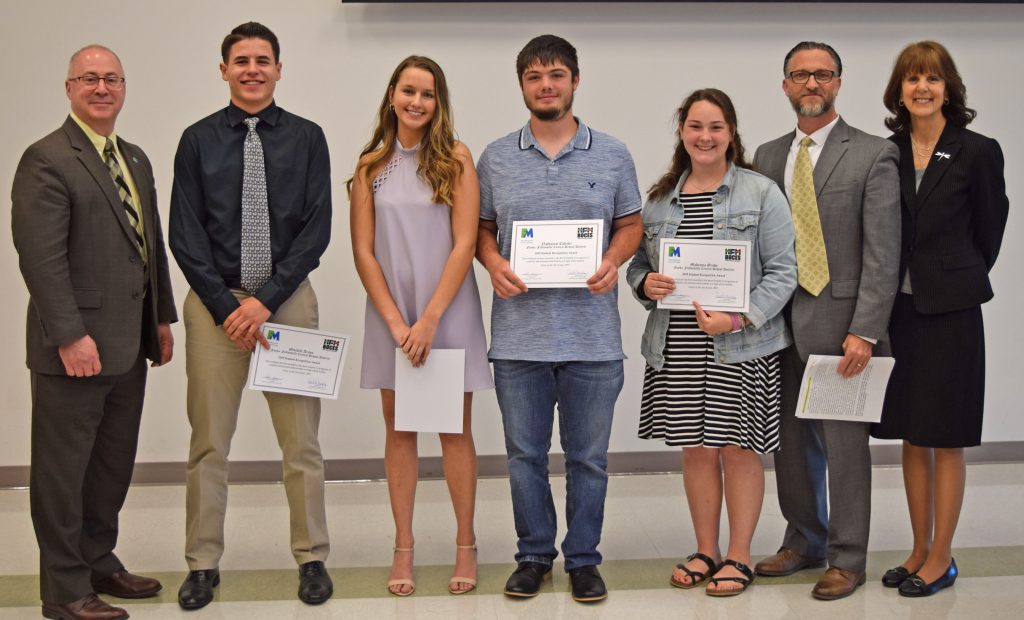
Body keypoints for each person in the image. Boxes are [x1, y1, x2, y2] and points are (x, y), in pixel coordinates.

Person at [169, 22, 333, 609]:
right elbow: (184, 235)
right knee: (209, 443)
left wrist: (265, 301)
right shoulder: (196, 140)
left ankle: (312, 557)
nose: (253, 69)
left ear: (279, 69)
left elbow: (317, 229)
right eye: (241, 60)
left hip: (286, 301)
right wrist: (227, 306)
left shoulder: (308, 138)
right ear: (224, 70)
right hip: (215, 306)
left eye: (263, 60)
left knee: (302, 445)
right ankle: (202, 564)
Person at [476, 34, 643, 604]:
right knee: (523, 457)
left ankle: (584, 560)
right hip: (519, 339)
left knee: (587, 459)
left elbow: (631, 224)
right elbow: (479, 228)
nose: (546, 86)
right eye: (534, 76)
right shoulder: (496, 157)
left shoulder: (613, 153)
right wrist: (493, 260)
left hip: (593, 339)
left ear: (575, 80)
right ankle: (533, 556)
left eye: (556, 75)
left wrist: (614, 260)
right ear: (522, 84)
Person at [11, 45, 176, 620]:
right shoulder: (47, 158)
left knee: (111, 462)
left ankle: (98, 559)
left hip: (129, 343)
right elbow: (41, 258)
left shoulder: (134, 157)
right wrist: (68, 334)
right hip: (74, 348)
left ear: (124, 87)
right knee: (63, 471)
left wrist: (161, 318)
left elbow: (148, 243)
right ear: (69, 87)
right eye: (89, 78)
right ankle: (62, 589)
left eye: (111, 79)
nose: (101, 87)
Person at [626, 89, 796, 597]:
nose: (705, 136)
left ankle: (739, 556)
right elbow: (637, 265)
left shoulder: (760, 193)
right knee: (696, 450)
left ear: (731, 134)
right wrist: (644, 285)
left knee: (740, 451)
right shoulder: (658, 201)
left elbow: (785, 272)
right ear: (682, 131)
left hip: (741, 344)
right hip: (677, 345)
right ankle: (706, 549)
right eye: (696, 126)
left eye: (716, 127)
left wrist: (738, 318)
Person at [752, 41, 900, 600]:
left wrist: (864, 330)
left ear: (838, 82)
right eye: (800, 75)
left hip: (842, 328)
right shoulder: (766, 157)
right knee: (788, 443)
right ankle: (803, 540)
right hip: (776, 325)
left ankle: (847, 556)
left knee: (842, 447)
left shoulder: (872, 154)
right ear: (785, 84)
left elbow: (883, 254)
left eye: (822, 74)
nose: (811, 84)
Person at [348, 55, 493, 597]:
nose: (416, 102)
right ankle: (403, 548)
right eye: (408, 91)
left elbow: (464, 243)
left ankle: (465, 544)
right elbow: (363, 251)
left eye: (427, 94)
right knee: (400, 430)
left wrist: (429, 319)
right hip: (391, 314)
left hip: (446, 311)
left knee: (455, 430)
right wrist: (396, 321)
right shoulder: (369, 164)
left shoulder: (456, 159)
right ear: (392, 95)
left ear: (439, 102)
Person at [872, 41, 1008, 598]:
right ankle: (918, 547)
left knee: (945, 436)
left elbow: (989, 231)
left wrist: (949, 275)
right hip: (898, 312)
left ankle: (943, 556)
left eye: (932, 79)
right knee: (910, 434)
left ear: (948, 88)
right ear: (898, 91)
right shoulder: (888, 151)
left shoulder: (977, 150)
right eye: (912, 80)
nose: (922, 88)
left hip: (951, 312)